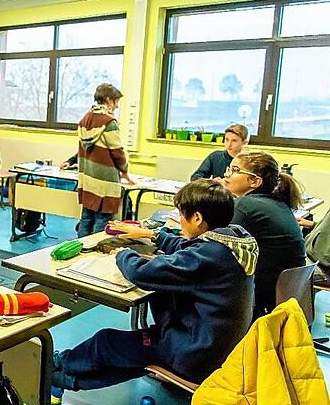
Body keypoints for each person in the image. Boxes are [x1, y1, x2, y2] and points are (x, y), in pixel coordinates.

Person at [51, 179, 257, 394]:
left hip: (194, 353)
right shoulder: (233, 240)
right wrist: (156, 236)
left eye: (181, 215)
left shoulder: (209, 256)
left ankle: (52, 364)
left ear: (197, 218)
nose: (179, 221)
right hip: (217, 349)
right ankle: (61, 378)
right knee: (130, 358)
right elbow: (189, 247)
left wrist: (123, 254)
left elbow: (140, 273)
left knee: (106, 343)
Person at [222, 151, 305, 319]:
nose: (226, 174)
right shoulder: (277, 202)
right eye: (228, 168)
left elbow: (219, 247)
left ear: (255, 181)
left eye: (235, 170)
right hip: (286, 293)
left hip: (262, 294)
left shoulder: (244, 205)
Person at [76, 83, 133, 237]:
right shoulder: (109, 122)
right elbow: (117, 152)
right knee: (102, 223)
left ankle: (81, 254)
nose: (117, 106)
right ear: (108, 100)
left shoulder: (84, 120)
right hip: (104, 184)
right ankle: (94, 257)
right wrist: (125, 170)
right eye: (116, 102)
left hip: (88, 181)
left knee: (86, 219)